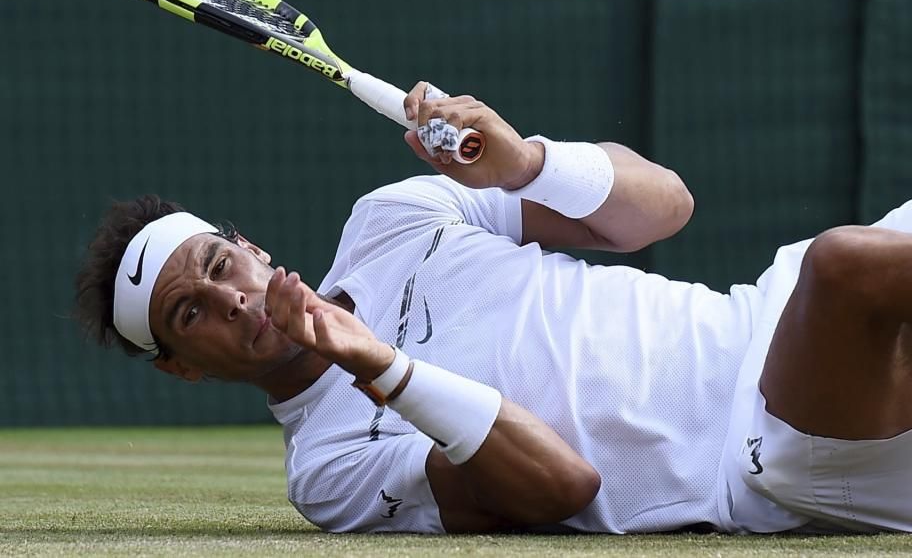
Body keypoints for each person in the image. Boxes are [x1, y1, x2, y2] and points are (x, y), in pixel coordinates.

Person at [75, 83, 912, 534]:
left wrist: (527, 163)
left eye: (222, 266)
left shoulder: (393, 217)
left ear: (251, 248)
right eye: (192, 314)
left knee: (844, 263)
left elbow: (665, 209)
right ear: (183, 368)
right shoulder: (328, 471)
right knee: (848, 266)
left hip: (765, 317)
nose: (230, 299)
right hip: (764, 448)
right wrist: (378, 365)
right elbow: (561, 486)